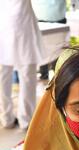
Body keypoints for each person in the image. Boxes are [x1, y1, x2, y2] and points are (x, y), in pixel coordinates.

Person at [0, 0, 44, 131]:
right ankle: (26, 120)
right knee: (27, 77)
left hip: (4, 22)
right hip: (22, 24)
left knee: (4, 76)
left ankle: (6, 118)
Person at [32, 0, 68, 80]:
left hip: (41, 14)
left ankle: (45, 73)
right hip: (56, 15)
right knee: (59, 45)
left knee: (43, 45)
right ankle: (58, 73)